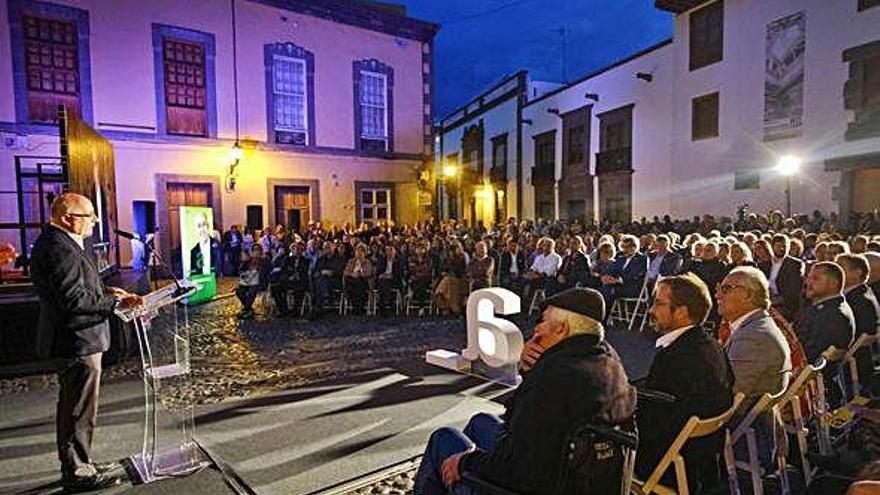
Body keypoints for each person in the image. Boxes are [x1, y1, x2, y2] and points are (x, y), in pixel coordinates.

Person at [413, 288, 635, 494]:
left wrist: (465, 462)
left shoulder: (553, 376)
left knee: (443, 439)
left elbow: (521, 468)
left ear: (562, 328)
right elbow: (536, 421)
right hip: (578, 472)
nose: (536, 328)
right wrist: (531, 367)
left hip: (537, 483)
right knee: (481, 422)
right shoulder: (607, 360)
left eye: (543, 321)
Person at [30, 193, 144, 491]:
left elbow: (81, 284)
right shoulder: (58, 247)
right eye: (89, 215)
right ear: (67, 218)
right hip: (76, 340)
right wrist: (112, 304)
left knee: (79, 407)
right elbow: (72, 298)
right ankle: (78, 472)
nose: (94, 220)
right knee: (78, 409)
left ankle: (82, 462)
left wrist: (109, 291)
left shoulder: (66, 242)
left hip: (81, 337)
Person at [636, 273, 734, 493]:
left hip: (672, 466)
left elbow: (650, 421)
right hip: (704, 463)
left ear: (681, 312)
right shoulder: (711, 346)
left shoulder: (675, 357)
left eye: (659, 304)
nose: (651, 310)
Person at [715, 267, 791, 468]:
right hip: (752, 427)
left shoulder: (754, 336)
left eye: (726, 288)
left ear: (748, 295)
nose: (718, 294)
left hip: (743, 437)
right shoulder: (757, 326)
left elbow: (728, 397)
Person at [795, 262, 855, 366]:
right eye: (808, 278)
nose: (808, 282)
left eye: (815, 279)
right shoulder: (829, 307)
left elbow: (808, 355)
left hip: (810, 377)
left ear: (833, 283)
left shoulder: (832, 315)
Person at [836, 254, 879, 392]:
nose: (837, 271)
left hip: (852, 365)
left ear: (858, 273)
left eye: (842, 267)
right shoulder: (863, 293)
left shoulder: (859, 300)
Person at [762, 234, 805, 322]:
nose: (781, 249)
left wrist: (778, 299)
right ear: (773, 246)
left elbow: (794, 289)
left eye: (784, 246)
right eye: (778, 246)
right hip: (766, 300)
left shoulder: (795, 264)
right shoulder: (765, 263)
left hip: (784, 305)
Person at [236, 243, 271, 318]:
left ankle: (246, 309)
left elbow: (267, 271)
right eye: (254, 250)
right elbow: (240, 270)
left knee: (252, 291)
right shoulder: (249, 260)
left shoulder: (264, 259)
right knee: (239, 291)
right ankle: (248, 308)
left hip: (259, 281)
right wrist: (245, 262)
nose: (256, 251)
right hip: (247, 281)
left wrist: (260, 263)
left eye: (258, 249)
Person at [343, 243, 374, 314]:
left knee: (358, 282)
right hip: (351, 279)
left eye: (361, 251)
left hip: (363, 281)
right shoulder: (351, 261)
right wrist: (352, 274)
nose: (359, 253)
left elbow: (369, 273)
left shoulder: (367, 262)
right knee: (349, 280)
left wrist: (359, 274)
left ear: (364, 253)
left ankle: (356, 306)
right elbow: (345, 272)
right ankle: (357, 307)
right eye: (357, 251)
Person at [376, 244, 405, 316]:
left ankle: (383, 303)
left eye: (391, 250)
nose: (389, 252)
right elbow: (378, 272)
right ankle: (386, 302)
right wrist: (382, 275)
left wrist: (391, 276)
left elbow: (400, 274)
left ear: (394, 252)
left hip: (395, 280)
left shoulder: (399, 261)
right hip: (384, 280)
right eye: (387, 250)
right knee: (383, 282)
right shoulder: (382, 260)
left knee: (384, 283)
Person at [189, 211, 212, 276]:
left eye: (204, 224)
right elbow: (193, 273)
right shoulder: (193, 251)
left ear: (208, 225)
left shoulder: (218, 246)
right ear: (196, 229)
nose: (202, 229)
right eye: (199, 226)